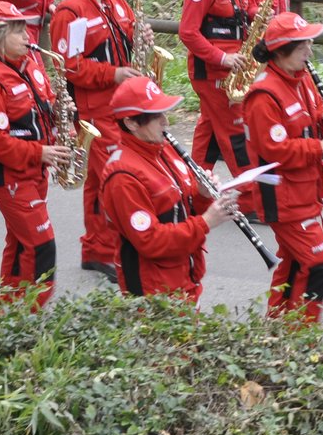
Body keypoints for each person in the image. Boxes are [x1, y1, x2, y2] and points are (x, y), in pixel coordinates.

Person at [243, 11, 323, 321]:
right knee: (318, 265)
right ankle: (302, 337)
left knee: (293, 262)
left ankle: (276, 326)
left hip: (306, 189)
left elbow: (311, 123)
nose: (309, 51)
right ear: (281, 51)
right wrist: (322, 146)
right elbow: (274, 149)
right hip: (283, 196)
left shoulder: (301, 79)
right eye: (302, 46)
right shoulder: (263, 95)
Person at [100, 75, 237, 302]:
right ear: (131, 123)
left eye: (165, 113)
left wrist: (202, 195)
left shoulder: (164, 150)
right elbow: (150, 241)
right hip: (154, 289)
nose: (166, 122)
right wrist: (206, 222)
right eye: (157, 116)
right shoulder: (122, 176)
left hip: (184, 275)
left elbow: (182, 206)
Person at [52, 0, 142, 282]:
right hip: (95, 110)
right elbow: (70, 67)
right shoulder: (71, 11)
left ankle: (97, 249)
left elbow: (127, 32)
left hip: (122, 104)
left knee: (103, 180)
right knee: (109, 181)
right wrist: (113, 73)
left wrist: (140, 36)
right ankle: (104, 252)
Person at [0, 1, 70, 304]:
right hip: (10, 174)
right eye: (17, 30)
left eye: (25, 28)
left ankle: (8, 305)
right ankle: (32, 313)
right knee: (41, 245)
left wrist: (60, 110)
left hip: (33, 171)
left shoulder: (31, 66)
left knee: (19, 242)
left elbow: (46, 102)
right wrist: (39, 153)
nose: (27, 35)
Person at [178, 0, 260, 211]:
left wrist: (259, 13)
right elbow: (188, 32)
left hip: (233, 68)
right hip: (213, 72)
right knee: (235, 131)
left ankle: (192, 192)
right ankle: (250, 200)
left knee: (210, 132)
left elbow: (244, 10)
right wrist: (221, 58)